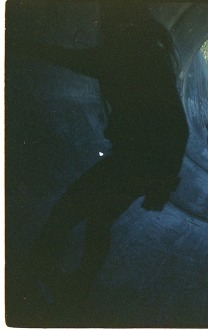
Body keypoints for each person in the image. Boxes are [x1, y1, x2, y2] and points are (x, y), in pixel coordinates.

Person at [23, 2, 189, 308]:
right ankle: (76, 288)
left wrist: (164, 182)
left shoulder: (128, 55)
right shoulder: (147, 53)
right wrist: (163, 180)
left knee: (66, 212)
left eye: (104, 20)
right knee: (98, 220)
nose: (99, 25)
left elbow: (178, 126)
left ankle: (29, 284)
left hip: (133, 162)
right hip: (142, 162)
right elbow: (178, 128)